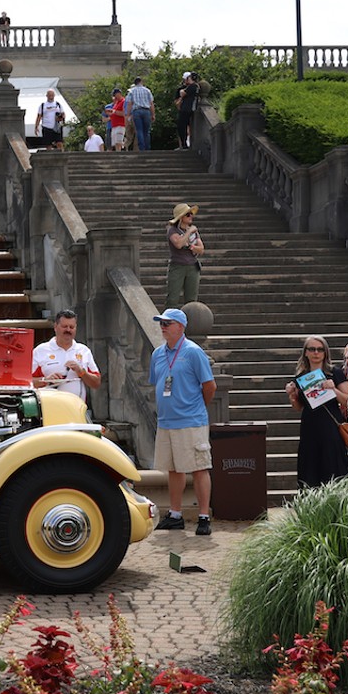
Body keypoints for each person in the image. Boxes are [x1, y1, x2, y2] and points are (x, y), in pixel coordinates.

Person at [150, 308, 216, 536]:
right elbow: (156, 383)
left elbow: (209, 386)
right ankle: (175, 514)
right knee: (173, 469)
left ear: (181, 326)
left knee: (199, 467)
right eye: (161, 322)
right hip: (166, 421)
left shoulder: (193, 352)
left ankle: (204, 516)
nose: (163, 326)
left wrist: (196, 407)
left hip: (191, 420)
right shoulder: (157, 354)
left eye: (167, 323)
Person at [285, 335, 348, 489]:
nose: (316, 353)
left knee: (334, 468)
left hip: (331, 427)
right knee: (310, 468)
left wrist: (333, 389)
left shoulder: (335, 373)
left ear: (325, 353)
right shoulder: (300, 377)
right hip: (310, 426)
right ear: (305, 353)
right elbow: (298, 406)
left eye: (320, 349)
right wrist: (292, 395)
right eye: (312, 349)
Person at [31, 310, 101, 403]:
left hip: (76, 410)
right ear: (55, 327)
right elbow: (27, 382)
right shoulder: (40, 351)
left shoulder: (84, 351)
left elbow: (96, 383)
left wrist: (81, 372)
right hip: (49, 409)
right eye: (64, 326)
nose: (68, 330)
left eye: (71, 327)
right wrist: (46, 380)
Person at [165, 203, 205, 309]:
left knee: (191, 300)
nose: (191, 216)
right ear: (181, 217)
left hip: (192, 266)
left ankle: (190, 324)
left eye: (191, 214)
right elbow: (178, 244)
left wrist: (192, 247)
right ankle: (169, 323)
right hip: (177, 266)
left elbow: (201, 249)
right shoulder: (173, 230)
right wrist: (189, 232)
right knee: (172, 299)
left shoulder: (194, 232)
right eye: (188, 215)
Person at [124, 76, 154, 151]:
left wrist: (127, 115)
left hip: (136, 111)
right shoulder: (147, 90)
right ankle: (147, 148)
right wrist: (153, 114)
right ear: (141, 82)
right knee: (146, 131)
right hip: (146, 111)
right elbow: (151, 103)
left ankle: (141, 148)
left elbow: (129, 104)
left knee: (139, 130)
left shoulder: (132, 91)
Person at [175, 72, 198, 150]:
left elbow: (182, 93)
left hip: (187, 109)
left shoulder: (193, 86)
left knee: (182, 126)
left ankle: (184, 144)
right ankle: (184, 144)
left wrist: (182, 92)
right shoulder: (193, 86)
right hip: (186, 108)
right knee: (182, 126)